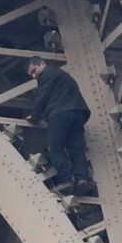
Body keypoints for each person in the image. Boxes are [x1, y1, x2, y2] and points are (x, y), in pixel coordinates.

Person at [26, 56, 92, 195]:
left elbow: (42, 97)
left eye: (34, 70)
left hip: (60, 115)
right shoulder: (64, 76)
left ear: (42, 63)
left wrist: (34, 115)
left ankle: (66, 180)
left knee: (56, 149)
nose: (34, 76)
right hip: (78, 114)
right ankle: (81, 179)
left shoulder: (47, 75)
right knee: (77, 149)